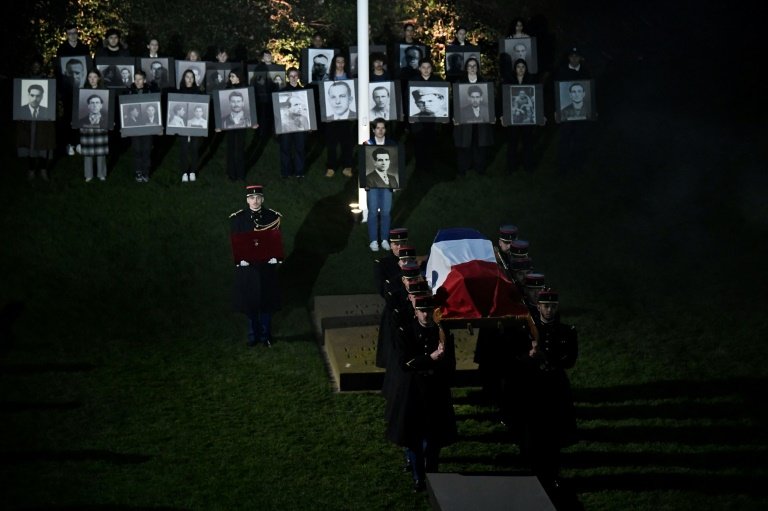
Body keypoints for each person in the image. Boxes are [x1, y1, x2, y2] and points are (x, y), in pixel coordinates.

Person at [385, 294, 457, 493]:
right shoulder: (406, 332)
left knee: (434, 440)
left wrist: (442, 369)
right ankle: (419, 478)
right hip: (414, 393)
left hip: (436, 392)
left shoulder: (443, 333)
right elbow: (405, 363)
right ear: (415, 312)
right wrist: (430, 358)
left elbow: (450, 364)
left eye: (428, 311)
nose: (425, 315)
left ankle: (432, 474)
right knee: (414, 439)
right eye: (421, 311)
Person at [508, 289, 577, 489]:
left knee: (553, 434)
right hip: (533, 388)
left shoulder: (566, 331)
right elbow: (514, 359)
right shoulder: (526, 331)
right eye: (545, 306)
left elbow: (570, 359)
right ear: (538, 307)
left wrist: (549, 361)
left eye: (553, 306)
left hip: (554, 388)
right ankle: (535, 472)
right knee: (534, 432)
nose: (549, 310)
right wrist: (530, 356)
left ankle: (552, 473)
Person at [230, 185, 282, 348]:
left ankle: (266, 335)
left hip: (266, 267)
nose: (255, 201)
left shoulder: (272, 216)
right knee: (251, 302)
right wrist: (240, 260)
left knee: (266, 302)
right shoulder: (238, 219)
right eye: (252, 198)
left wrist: (276, 257)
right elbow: (236, 242)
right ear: (247, 200)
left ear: (263, 199)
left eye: (258, 197)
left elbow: (276, 240)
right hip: (249, 268)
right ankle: (253, 335)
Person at [554, 46, 593, 174]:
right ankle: (562, 166)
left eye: (576, 56)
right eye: (572, 56)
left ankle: (577, 166)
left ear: (580, 58)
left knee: (580, 139)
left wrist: (592, 109)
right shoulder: (561, 71)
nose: (574, 58)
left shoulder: (586, 72)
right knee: (564, 139)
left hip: (582, 113)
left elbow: (590, 92)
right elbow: (556, 92)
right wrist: (556, 110)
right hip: (566, 112)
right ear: (568, 57)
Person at [16, 56, 56, 180]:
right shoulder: (25, 80)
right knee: (30, 145)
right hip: (29, 121)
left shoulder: (47, 80)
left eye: (38, 66)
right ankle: (31, 170)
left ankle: (43, 169)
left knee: (44, 145)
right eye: (34, 66)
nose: (36, 68)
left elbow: (53, 98)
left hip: (44, 120)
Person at [453, 58, 494, 176]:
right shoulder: (459, 82)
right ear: (466, 68)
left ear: (477, 68)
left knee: (479, 143)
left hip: (481, 121)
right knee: (465, 143)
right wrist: (455, 117)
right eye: (469, 66)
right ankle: (464, 168)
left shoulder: (484, 82)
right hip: (465, 120)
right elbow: (455, 102)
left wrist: (491, 116)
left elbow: (489, 101)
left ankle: (479, 167)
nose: (472, 68)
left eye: (474, 66)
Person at [56, 24, 90, 156]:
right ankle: (69, 143)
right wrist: (61, 89)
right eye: (70, 33)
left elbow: (88, 67)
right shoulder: (62, 49)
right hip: (67, 90)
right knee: (68, 117)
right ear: (66, 35)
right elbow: (59, 70)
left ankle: (78, 142)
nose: (73, 35)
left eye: (75, 32)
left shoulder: (84, 48)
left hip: (82, 89)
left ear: (78, 33)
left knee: (81, 116)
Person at [218, 72, 257, 181]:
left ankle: (240, 173)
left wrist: (253, 122)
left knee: (240, 148)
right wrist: (219, 124)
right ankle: (231, 173)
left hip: (242, 126)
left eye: (233, 76)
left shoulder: (245, 89)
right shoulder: (227, 88)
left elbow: (252, 104)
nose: (231, 78)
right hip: (230, 125)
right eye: (230, 76)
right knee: (230, 148)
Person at [365, 119, 397, 251]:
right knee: (372, 212)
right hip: (372, 183)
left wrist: (395, 183)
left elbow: (395, 164)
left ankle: (384, 239)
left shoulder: (392, 144)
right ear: (373, 130)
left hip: (388, 183)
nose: (380, 130)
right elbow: (364, 164)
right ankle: (373, 240)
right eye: (378, 128)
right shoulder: (368, 144)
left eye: (383, 128)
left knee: (386, 212)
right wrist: (364, 182)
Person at [503, 58, 539, 172]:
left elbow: (536, 100)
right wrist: (502, 116)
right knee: (512, 142)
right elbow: (504, 100)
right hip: (513, 118)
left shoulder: (531, 80)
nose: (521, 69)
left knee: (527, 142)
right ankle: (511, 167)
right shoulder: (509, 81)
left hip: (527, 119)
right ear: (515, 69)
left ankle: (528, 167)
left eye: (523, 67)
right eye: (518, 67)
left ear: (526, 69)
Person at [126, 70, 158, 183]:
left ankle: (146, 172)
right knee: (137, 149)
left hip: (147, 126)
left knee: (146, 149)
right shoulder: (129, 91)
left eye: (140, 79)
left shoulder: (150, 91)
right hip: (134, 126)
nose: (137, 81)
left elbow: (156, 108)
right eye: (136, 79)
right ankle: (138, 171)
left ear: (144, 80)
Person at [277, 67, 308, 178]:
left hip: (300, 126)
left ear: (298, 77)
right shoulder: (282, 92)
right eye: (291, 76)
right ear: (288, 77)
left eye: (295, 76)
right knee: (285, 148)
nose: (294, 78)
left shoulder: (304, 92)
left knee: (300, 148)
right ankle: (286, 172)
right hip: (286, 126)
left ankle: (299, 172)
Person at [79, 69, 109, 182]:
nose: (92, 79)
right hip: (86, 126)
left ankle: (101, 173)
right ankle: (88, 174)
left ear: (99, 78)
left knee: (101, 151)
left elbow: (110, 109)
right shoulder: (82, 91)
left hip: (102, 125)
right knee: (87, 151)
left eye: (94, 77)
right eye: (90, 77)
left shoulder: (105, 91)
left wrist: (110, 121)